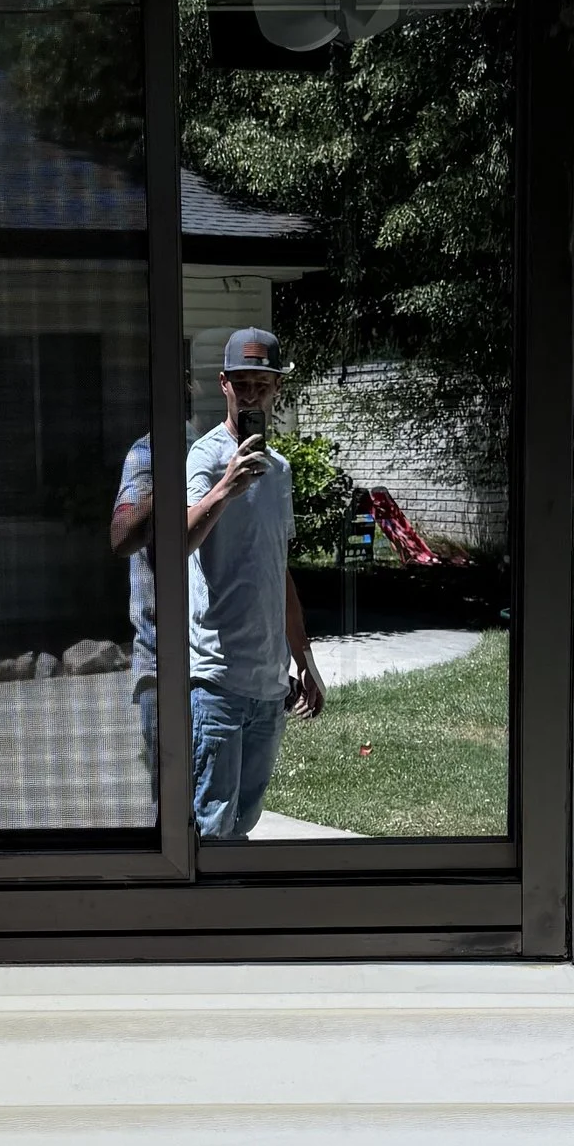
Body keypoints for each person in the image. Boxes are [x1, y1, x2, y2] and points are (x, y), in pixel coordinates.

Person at [184, 329, 324, 839]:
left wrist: (304, 662)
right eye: (241, 384)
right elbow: (178, 544)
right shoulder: (204, 458)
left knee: (243, 823)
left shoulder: (280, 471)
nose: (251, 396)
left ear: (276, 390)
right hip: (218, 680)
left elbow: (277, 568)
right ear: (223, 385)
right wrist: (226, 486)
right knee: (211, 827)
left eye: (261, 386)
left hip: (270, 685)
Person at [107, 429, 159, 788]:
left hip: (224, 660)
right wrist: (172, 479)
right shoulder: (146, 455)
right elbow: (122, 537)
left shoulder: (226, 450)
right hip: (161, 660)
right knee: (171, 795)